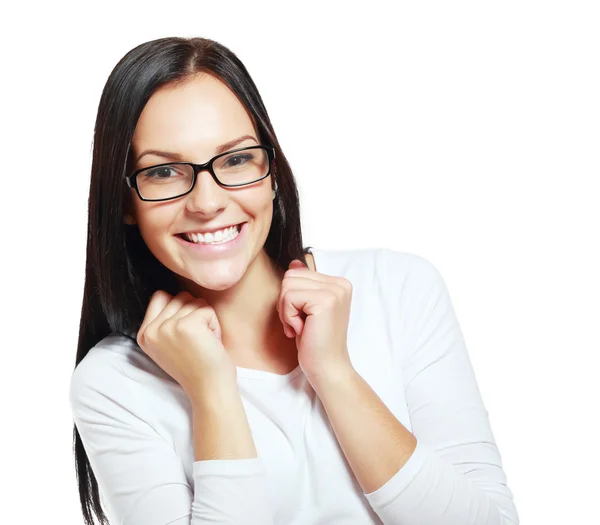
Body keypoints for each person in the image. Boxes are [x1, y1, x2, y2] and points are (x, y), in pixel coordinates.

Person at [69, 36, 519, 525]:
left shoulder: (398, 288)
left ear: (272, 171)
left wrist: (334, 374)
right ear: (125, 203)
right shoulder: (114, 382)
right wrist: (213, 392)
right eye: (163, 171)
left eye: (236, 160)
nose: (206, 202)